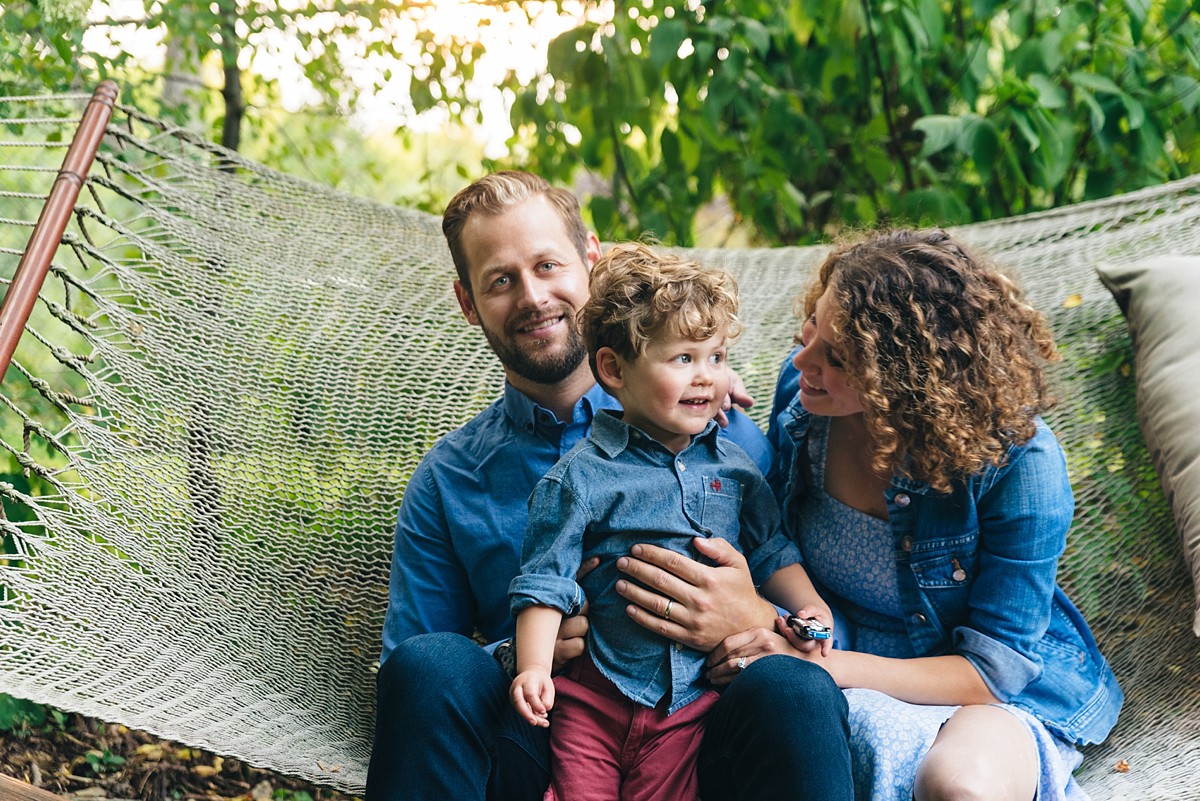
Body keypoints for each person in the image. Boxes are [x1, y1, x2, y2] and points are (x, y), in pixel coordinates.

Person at [366, 171, 854, 801]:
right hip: (541, 738)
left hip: (699, 734)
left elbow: (794, 586)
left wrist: (761, 617)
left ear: (590, 261)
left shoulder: (721, 434)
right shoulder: (449, 481)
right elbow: (407, 678)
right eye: (500, 281)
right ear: (469, 303)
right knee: (429, 666)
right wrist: (521, 656)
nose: (533, 296)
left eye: (547, 265)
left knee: (796, 689)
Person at [704, 229, 1123, 801]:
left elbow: (991, 674)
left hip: (974, 684)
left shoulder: (1020, 464)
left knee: (958, 786)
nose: (803, 360)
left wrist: (827, 666)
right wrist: (700, 390)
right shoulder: (807, 401)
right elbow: (760, 518)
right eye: (811, 331)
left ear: (905, 380)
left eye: (837, 358)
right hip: (827, 645)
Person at [508, 243, 834, 800]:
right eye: (683, 359)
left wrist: (812, 606)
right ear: (613, 369)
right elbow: (546, 582)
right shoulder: (581, 478)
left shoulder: (735, 466)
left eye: (717, 357)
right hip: (594, 698)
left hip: (690, 704)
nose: (707, 377)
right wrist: (533, 666)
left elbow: (771, 548)